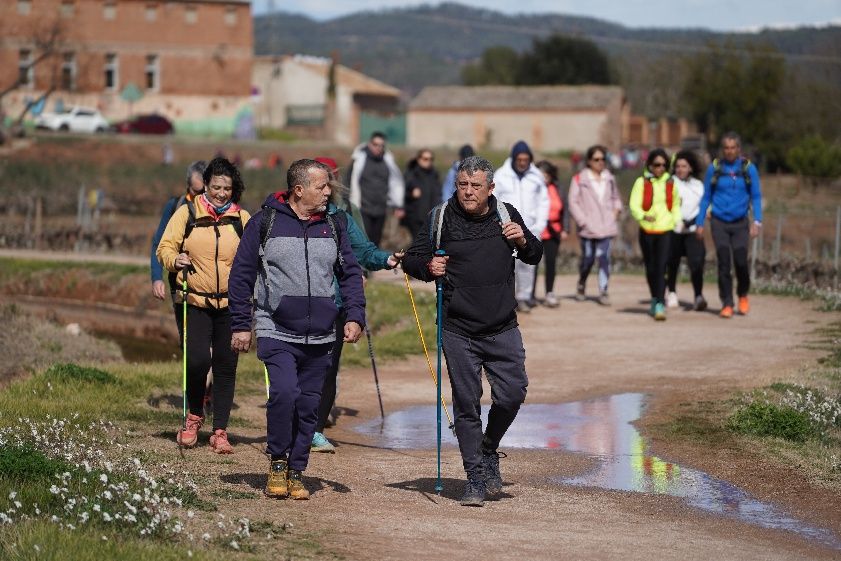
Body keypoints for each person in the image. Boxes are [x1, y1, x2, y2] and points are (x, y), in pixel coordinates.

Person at [402, 156, 543, 507]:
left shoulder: (506, 215)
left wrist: (523, 240)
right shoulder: (440, 217)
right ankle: (475, 477)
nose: (468, 191)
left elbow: (535, 255)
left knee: (512, 394)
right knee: (467, 405)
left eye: (475, 186)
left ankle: (489, 447)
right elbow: (412, 258)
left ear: (490, 188)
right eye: (462, 184)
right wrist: (427, 266)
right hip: (457, 328)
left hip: (501, 326)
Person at [228, 159, 365, 500]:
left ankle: (297, 470)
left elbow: (350, 273)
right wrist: (241, 325)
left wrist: (354, 316)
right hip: (275, 327)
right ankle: (277, 461)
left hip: (321, 333)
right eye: (322, 186)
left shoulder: (334, 224)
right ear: (299, 190)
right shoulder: (265, 222)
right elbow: (242, 274)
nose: (328, 192)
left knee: (308, 406)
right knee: (285, 394)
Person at [156, 157, 251, 452]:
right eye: (216, 187)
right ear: (206, 185)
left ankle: (220, 430)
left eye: (227, 188)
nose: (221, 193)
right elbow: (164, 247)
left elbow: (254, 256)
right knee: (197, 361)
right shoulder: (186, 213)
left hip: (232, 305)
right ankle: (194, 415)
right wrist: (175, 261)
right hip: (196, 301)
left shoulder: (243, 219)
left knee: (225, 366)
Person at [310, 156, 404, 454]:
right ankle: (292, 423)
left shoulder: (340, 217)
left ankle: (314, 429)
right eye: (322, 185)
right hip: (293, 307)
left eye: (330, 185)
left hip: (331, 306)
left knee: (326, 368)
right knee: (297, 369)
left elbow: (363, 249)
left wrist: (387, 260)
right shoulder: (280, 217)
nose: (327, 191)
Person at [695, 132, 762, 318]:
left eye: (733, 148)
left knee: (741, 261)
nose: (730, 151)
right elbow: (706, 197)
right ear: (722, 149)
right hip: (719, 222)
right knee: (724, 262)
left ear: (739, 149)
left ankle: (742, 295)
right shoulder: (714, 169)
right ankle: (726, 302)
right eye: (726, 148)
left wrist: (757, 221)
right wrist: (699, 222)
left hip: (740, 222)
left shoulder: (749, 169)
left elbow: (756, 196)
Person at [151, 160, 206, 340]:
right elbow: (159, 243)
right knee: (186, 333)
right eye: (196, 192)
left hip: (209, 281)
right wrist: (156, 277)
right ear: (188, 186)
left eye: (205, 192)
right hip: (179, 281)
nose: (201, 197)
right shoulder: (175, 206)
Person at [493, 140, 549, 312]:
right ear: (514, 158)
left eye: (526, 159)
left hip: (530, 228)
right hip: (506, 229)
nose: (523, 163)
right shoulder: (501, 176)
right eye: (520, 159)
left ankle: (524, 297)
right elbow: (493, 200)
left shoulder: (536, 177)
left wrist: (539, 225)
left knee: (527, 266)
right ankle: (507, 299)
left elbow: (543, 202)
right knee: (505, 264)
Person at [629, 148, 682, 321]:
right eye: (656, 165)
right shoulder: (641, 182)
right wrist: (643, 216)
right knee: (651, 268)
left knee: (661, 267)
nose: (660, 168)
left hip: (665, 230)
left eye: (663, 165)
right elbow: (634, 204)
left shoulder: (671, 183)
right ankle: (654, 297)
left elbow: (674, 204)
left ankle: (660, 302)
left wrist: (677, 221)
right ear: (650, 165)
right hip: (647, 230)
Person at [568, 145, 622, 305]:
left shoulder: (609, 178)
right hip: (588, 229)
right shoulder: (579, 179)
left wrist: (615, 213)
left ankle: (603, 290)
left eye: (603, 159)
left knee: (604, 258)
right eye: (596, 159)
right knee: (588, 259)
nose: (600, 162)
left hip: (606, 227)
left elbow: (616, 199)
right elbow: (573, 202)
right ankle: (582, 283)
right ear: (589, 161)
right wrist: (583, 221)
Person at [666, 150, 707, 311]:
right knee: (672, 263)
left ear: (691, 168)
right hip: (673, 230)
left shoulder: (698, 185)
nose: (680, 169)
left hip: (692, 230)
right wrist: (677, 221)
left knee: (696, 263)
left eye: (684, 166)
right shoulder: (670, 183)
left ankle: (698, 295)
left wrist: (697, 222)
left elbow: (703, 208)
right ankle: (672, 292)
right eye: (677, 166)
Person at [347, 131, 405, 246]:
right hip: (363, 207)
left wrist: (398, 205)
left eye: (381, 145)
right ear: (369, 144)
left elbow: (395, 183)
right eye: (375, 144)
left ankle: (374, 263)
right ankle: (362, 263)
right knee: (363, 238)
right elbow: (349, 180)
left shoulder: (387, 161)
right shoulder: (359, 160)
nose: (378, 148)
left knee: (377, 239)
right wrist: (349, 203)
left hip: (381, 208)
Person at [535, 160, 569, 308]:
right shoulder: (533, 188)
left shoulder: (558, 188)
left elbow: (565, 210)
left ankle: (550, 293)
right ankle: (529, 295)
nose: (543, 177)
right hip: (536, 230)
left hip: (554, 231)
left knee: (551, 263)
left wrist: (565, 229)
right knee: (532, 264)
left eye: (546, 174)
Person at [402, 148, 441, 240]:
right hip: (415, 216)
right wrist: (411, 194)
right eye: (425, 159)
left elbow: (438, 193)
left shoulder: (434, 174)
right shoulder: (411, 174)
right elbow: (402, 194)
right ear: (419, 159)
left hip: (432, 215)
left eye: (431, 159)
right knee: (418, 242)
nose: (428, 161)